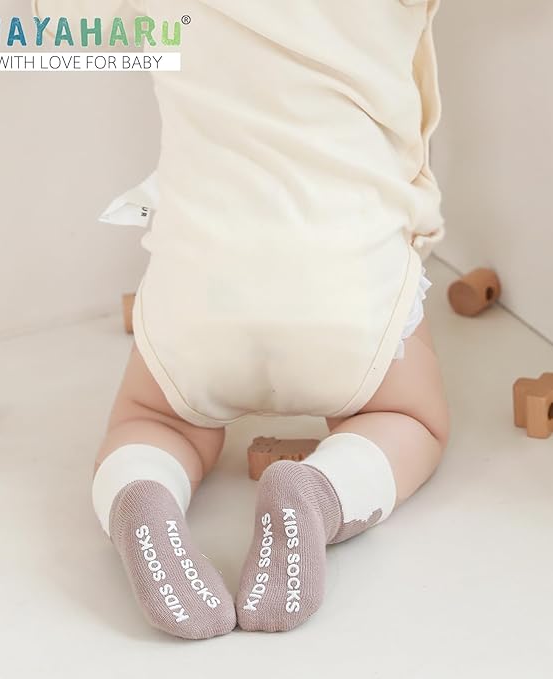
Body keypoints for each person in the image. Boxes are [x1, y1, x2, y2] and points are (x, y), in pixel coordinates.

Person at [37, 0, 449, 638]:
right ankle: (319, 495)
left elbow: (58, 24)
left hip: (197, 288)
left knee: (156, 421)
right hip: (348, 284)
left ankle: (141, 495)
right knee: (409, 419)